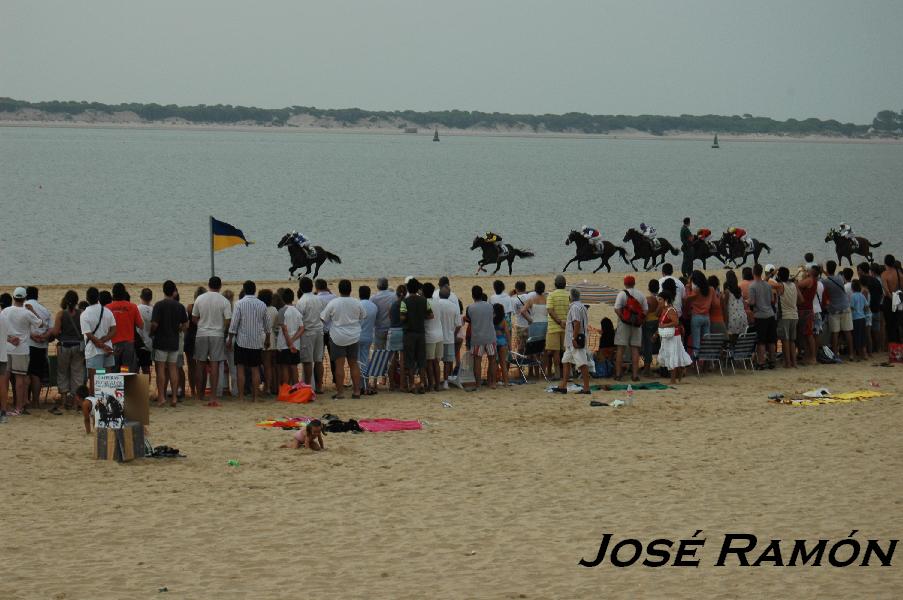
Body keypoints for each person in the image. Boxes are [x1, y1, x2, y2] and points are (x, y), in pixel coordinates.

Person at [320, 279, 365, 399]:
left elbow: (323, 318)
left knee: (339, 365)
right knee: (353, 364)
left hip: (337, 336)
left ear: (339, 290)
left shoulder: (334, 303)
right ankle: (356, 391)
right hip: (353, 335)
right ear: (350, 289)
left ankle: (340, 393)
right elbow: (362, 316)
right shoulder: (356, 302)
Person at [192, 276, 232, 406]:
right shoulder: (224, 301)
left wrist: (202, 324)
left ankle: (200, 395)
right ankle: (213, 396)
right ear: (220, 286)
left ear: (208, 285)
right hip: (217, 334)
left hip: (202, 333)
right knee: (215, 364)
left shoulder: (200, 298)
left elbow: (194, 317)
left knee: (200, 364)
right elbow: (227, 320)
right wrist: (221, 327)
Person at [227, 280, 269, 403]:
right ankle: (255, 397)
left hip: (242, 341)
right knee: (255, 369)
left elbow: (234, 324)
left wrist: (230, 339)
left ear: (244, 290)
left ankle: (240, 397)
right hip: (256, 341)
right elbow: (267, 325)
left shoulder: (239, 303)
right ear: (255, 290)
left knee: (240, 369)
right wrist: (267, 339)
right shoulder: (262, 304)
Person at [4, 288, 43, 415]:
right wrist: (32, 310)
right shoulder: (27, 313)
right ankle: (18, 407)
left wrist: (9, 338)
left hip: (7, 347)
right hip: (21, 349)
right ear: (25, 298)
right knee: (20, 379)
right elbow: (40, 324)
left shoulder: (5, 311)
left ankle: (3, 407)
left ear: (13, 297)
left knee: (4, 378)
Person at [151, 281, 188, 406]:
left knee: (160, 369)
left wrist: (152, 331)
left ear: (163, 291)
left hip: (161, 341)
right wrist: (178, 330)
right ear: (174, 292)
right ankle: (174, 398)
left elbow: (154, 324)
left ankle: (161, 397)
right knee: (173, 368)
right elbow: (185, 324)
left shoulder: (158, 305)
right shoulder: (179, 306)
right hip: (174, 341)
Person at [49, 290, 84, 412]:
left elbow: (55, 332)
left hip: (64, 346)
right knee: (77, 373)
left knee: (62, 373)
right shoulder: (81, 313)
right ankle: (76, 403)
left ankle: (64, 403)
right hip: (79, 347)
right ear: (76, 301)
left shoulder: (61, 314)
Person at [80, 287, 117, 397]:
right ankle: (107, 402)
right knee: (106, 377)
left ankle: (95, 403)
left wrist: (101, 344)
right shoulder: (107, 311)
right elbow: (114, 330)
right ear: (98, 298)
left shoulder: (85, 314)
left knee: (95, 379)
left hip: (94, 352)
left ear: (87, 298)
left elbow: (89, 334)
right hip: (107, 350)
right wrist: (105, 342)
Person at [554, 288, 591, 394]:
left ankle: (586, 388)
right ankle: (563, 385)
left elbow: (577, 322)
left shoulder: (574, 307)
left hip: (574, 340)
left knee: (582, 363)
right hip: (572, 340)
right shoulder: (582, 306)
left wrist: (574, 338)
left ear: (570, 298)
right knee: (565, 361)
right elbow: (576, 322)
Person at [399, 279, 431, 393]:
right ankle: (422, 383)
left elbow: (402, 317)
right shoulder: (424, 300)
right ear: (418, 289)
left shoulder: (405, 302)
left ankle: (412, 384)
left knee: (410, 361)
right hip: (421, 333)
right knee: (422, 360)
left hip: (409, 334)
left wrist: (408, 317)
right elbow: (430, 315)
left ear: (408, 289)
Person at [613, 275, 648, 381]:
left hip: (624, 324)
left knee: (621, 349)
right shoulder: (641, 294)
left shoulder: (622, 294)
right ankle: (635, 375)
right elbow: (645, 310)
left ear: (625, 283)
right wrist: (640, 320)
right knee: (635, 349)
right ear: (634, 283)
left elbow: (616, 309)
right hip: (637, 325)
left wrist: (623, 318)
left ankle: (618, 374)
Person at [23, 287, 52, 409]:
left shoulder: (23, 306)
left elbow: (21, 326)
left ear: (25, 295)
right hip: (41, 346)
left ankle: (25, 400)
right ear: (37, 295)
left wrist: (31, 335)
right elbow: (50, 328)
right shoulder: (45, 310)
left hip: (27, 344)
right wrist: (44, 337)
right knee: (37, 374)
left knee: (25, 374)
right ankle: (35, 401)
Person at [657, 288, 692, 384]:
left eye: (660, 299)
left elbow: (676, 322)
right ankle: (680, 370)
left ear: (666, 300)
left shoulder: (670, 310)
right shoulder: (664, 310)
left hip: (673, 337)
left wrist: (664, 325)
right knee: (672, 356)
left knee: (672, 356)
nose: (658, 301)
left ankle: (673, 380)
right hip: (668, 336)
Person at [106, 283, 143, 374]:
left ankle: (116, 388)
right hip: (128, 344)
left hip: (113, 343)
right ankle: (125, 386)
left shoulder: (107, 308)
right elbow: (141, 325)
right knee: (125, 369)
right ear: (124, 293)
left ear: (113, 294)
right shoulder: (133, 306)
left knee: (114, 369)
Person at [296, 277, 324, 392]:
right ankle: (319, 386)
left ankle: (308, 387)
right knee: (318, 360)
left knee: (307, 361)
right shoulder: (318, 299)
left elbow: (299, 320)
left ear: (301, 288)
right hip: (319, 331)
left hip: (307, 333)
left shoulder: (301, 301)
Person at [465, 286, 497, 390]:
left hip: (477, 338)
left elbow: (469, 319)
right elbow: (492, 316)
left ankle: (478, 384)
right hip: (490, 337)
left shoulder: (470, 308)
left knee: (477, 361)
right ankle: (492, 383)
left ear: (473, 295)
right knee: (492, 360)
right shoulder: (489, 306)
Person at [748, 264, 777, 369]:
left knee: (761, 341)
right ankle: (772, 361)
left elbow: (752, 301)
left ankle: (761, 362)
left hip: (760, 315)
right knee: (771, 340)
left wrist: (746, 301)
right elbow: (772, 300)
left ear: (753, 272)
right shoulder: (768, 285)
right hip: (770, 314)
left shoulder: (752, 286)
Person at [824, 260, 854, 360]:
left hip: (834, 309)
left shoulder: (825, 281)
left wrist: (821, 271)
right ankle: (851, 354)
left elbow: (825, 280)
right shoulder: (840, 278)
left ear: (827, 268)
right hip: (845, 307)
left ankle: (835, 355)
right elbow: (831, 276)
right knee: (848, 332)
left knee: (835, 333)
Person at [435, 285, 462, 389]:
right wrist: (453, 334)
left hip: (438, 337)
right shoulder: (454, 306)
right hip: (449, 338)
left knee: (435, 361)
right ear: (449, 295)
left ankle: (436, 381)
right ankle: (446, 382)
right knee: (447, 361)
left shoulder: (436, 305)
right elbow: (458, 324)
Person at [276, 288, 303, 386]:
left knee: (284, 367)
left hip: (284, 344)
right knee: (294, 366)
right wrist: (293, 340)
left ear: (283, 299)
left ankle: (286, 388)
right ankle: (295, 387)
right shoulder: (296, 310)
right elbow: (302, 328)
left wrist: (289, 342)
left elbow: (284, 329)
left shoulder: (282, 311)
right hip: (296, 344)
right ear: (293, 298)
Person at [545, 275, 570, 379]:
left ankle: (557, 374)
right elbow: (571, 309)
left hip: (554, 327)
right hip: (566, 326)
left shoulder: (551, 295)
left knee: (555, 351)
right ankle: (567, 373)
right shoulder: (568, 295)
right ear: (565, 284)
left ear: (555, 284)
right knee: (566, 351)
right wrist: (565, 322)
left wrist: (559, 322)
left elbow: (550, 310)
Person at [421, 283, 444, 392]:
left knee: (429, 362)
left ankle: (431, 385)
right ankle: (438, 384)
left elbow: (427, 316)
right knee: (436, 362)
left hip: (429, 334)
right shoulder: (437, 301)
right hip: (439, 334)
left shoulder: (425, 302)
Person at [685, 271, 714, 360]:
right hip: (706, 316)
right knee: (706, 341)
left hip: (696, 316)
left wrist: (688, 287)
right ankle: (707, 362)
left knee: (696, 342)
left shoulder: (695, 291)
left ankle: (695, 362)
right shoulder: (711, 289)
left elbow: (686, 299)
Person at [774, 267, 799, 368]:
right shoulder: (794, 285)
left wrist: (773, 272)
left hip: (785, 315)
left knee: (785, 340)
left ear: (779, 276)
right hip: (794, 315)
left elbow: (765, 282)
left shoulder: (780, 286)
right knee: (792, 341)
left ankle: (788, 363)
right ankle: (794, 363)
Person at [796, 264, 820, 365]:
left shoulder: (810, 280)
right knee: (806, 334)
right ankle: (808, 356)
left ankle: (813, 357)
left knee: (809, 334)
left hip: (805, 309)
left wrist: (796, 281)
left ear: (811, 272)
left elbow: (798, 285)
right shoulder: (814, 281)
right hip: (807, 309)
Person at [858, 262, 884, 353]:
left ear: (861, 270)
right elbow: (881, 294)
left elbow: (861, 296)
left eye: (859, 270)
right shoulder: (876, 280)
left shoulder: (863, 281)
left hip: (866, 311)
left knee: (867, 332)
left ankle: (869, 350)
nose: (858, 271)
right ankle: (878, 348)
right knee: (876, 330)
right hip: (876, 308)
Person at [315, 279, 337, 385]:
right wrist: (330, 291)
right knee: (334, 357)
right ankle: (336, 379)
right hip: (332, 331)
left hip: (320, 331)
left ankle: (318, 382)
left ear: (317, 288)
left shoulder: (316, 299)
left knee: (319, 358)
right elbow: (335, 298)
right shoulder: (334, 297)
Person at [386, 284, 407, 391]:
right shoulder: (406, 305)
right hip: (402, 332)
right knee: (403, 360)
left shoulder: (392, 305)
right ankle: (403, 385)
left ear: (396, 294)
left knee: (392, 359)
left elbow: (390, 317)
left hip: (393, 331)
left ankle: (391, 384)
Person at [358, 285, 378, 393]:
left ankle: (359, 384)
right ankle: (365, 383)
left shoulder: (358, 304)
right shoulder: (374, 306)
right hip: (368, 336)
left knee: (356, 361)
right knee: (365, 360)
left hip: (357, 336)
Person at [880, 254, 902, 344]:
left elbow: (886, 291)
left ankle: (893, 346)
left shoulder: (884, 274)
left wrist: (893, 299)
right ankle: (899, 344)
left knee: (890, 325)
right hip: (899, 300)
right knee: (898, 323)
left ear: (885, 262)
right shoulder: (899, 273)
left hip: (889, 301)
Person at [641, 280, 660, 377]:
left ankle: (647, 368)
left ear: (649, 288)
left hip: (648, 323)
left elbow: (645, 312)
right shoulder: (660, 300)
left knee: (647, 345)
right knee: (654, 344)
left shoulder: (647, 299)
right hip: (657, 322)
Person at [371, 278, 395, 350]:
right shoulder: (394, 296)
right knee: (391, 352)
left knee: (378, 352)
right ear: (387, 286)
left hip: (379, 328)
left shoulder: (373, 298)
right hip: (391, 328)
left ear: (377, 286)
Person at [722, 270, 748, 339]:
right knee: (741, 341)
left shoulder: (727, 292)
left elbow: (724, 307)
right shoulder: (739, 290)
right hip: (743, 317)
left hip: (733, 319)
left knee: (732, 340)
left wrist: (725, 322)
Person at [510, 281, 533, 354]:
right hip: (531, 325)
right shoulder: (530, 297)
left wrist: (510, 294)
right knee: (531, 346)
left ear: (516, 289)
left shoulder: (514, 300)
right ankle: (531, 363)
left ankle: (520, 362)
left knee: (520, 346)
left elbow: (513, 312)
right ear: (525, 288)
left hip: (520, 325)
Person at [492, 303, 511, 387]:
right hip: (502, 341)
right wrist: (509, 344)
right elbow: (507, 333)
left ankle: (494, 382)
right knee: (503, 363)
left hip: (494, 341)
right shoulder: (503, 320)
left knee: (494, 363)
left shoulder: (491, 319)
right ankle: (506, 382)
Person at [136, 288, 154, 375]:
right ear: (151, 298)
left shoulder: (136, 308)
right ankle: (145, 388)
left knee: (135, 369)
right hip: (148, 343)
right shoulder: (153, 309)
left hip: (137, 343)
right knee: (146, 370)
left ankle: (135, 387)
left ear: (140, 297)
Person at [850, 280, 869, 361]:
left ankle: (853, 354)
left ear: (852, 288)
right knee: (862, 335)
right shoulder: (862, 295)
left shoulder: (852, 296)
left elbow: (851, 307)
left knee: (855, 335)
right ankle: (864, 354)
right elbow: (866, 306)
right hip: (862, 318)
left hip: (855, 318)